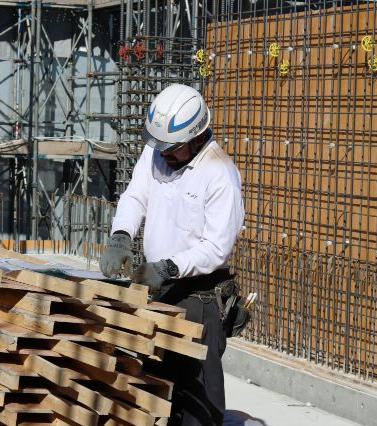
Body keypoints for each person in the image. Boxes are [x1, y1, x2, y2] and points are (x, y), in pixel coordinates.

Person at [99, 83, 244, 425]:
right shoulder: (159, 152)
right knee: (156, 390)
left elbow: (215, 247)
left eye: (173, 148)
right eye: (160, 145)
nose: (164, 154)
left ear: (196, 137)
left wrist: (167, 267)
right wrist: (121, 235)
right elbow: (136, 196)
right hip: (161, 291)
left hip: (200, 298)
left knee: (197, 401)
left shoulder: (219, 173)